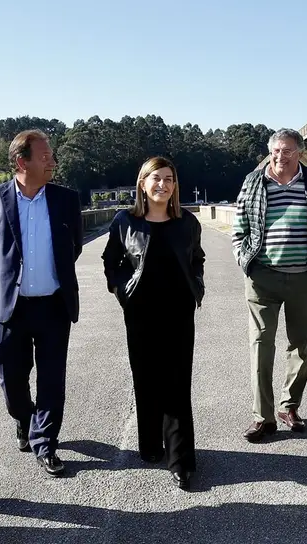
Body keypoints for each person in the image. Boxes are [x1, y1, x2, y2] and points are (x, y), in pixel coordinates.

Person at [0, 129, 83, 477]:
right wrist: (7, 280)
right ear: (23, 161)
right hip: (10, 306)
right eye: (46, 155)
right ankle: (24, 417)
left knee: (52, 378)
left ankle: (45, 442)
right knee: (11, 375)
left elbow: (74, 247)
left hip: (53, 305)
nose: (53, 160)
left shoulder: (66, 199)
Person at [102, 156, 205, 490]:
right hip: (140, 312)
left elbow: (197, 258)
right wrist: (122, 290)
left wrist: (196, 286)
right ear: (142, 183)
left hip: (178, 311)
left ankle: (181, 459)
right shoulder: (124, 222)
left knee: (177, 384)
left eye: (170, 179)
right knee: (146, 380)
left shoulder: (186, 222)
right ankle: (149, 444)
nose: (163, 185)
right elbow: (111, 261)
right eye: (156, 178)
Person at [231, 128, 307, 442]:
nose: (280, 156)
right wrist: (244, 261)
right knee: (261, 345)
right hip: (262, 278)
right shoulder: (254, 182)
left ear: (299, 153)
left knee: (300, 347)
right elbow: (240, 227)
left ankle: (289, 406)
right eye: (276, 150)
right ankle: (262, 417)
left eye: (287, 150)